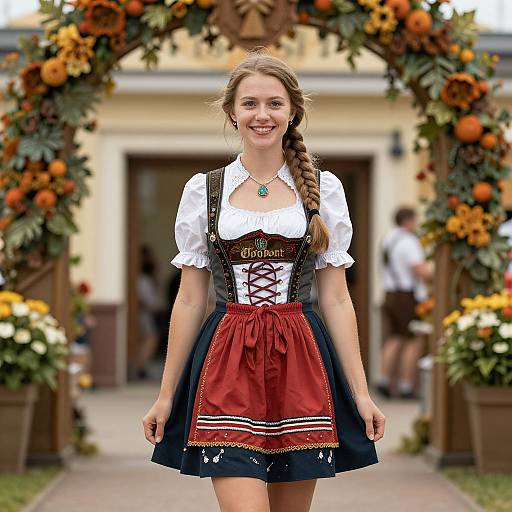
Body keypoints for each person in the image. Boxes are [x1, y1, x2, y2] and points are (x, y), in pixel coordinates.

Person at [142, 49, 384, 511]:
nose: (262, 115)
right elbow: (190, 300)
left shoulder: (324, 189)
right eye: (250, 103)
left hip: (301, 361)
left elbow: (336, 299)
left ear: (293, 111)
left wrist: (361, 393)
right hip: (228, 359)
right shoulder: (204, 191)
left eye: (274, 103)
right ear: (232, 112)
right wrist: (166, 395)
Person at [377, 207, 434, 399]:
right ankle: (406, 385)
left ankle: (384, 380)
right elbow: (421, 270)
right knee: (413, 339)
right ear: (408, 220)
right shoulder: (409, 241)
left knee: (393, 338)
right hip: (406, 295)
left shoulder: (388, 238)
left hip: (390, 292)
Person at [136, 244, 161, 379]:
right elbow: (148, 301)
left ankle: (141, 366)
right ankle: (140, 366)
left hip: (147, 313)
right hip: (145, 314)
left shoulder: (146, 279)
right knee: (151, 339)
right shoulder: (143, 280)